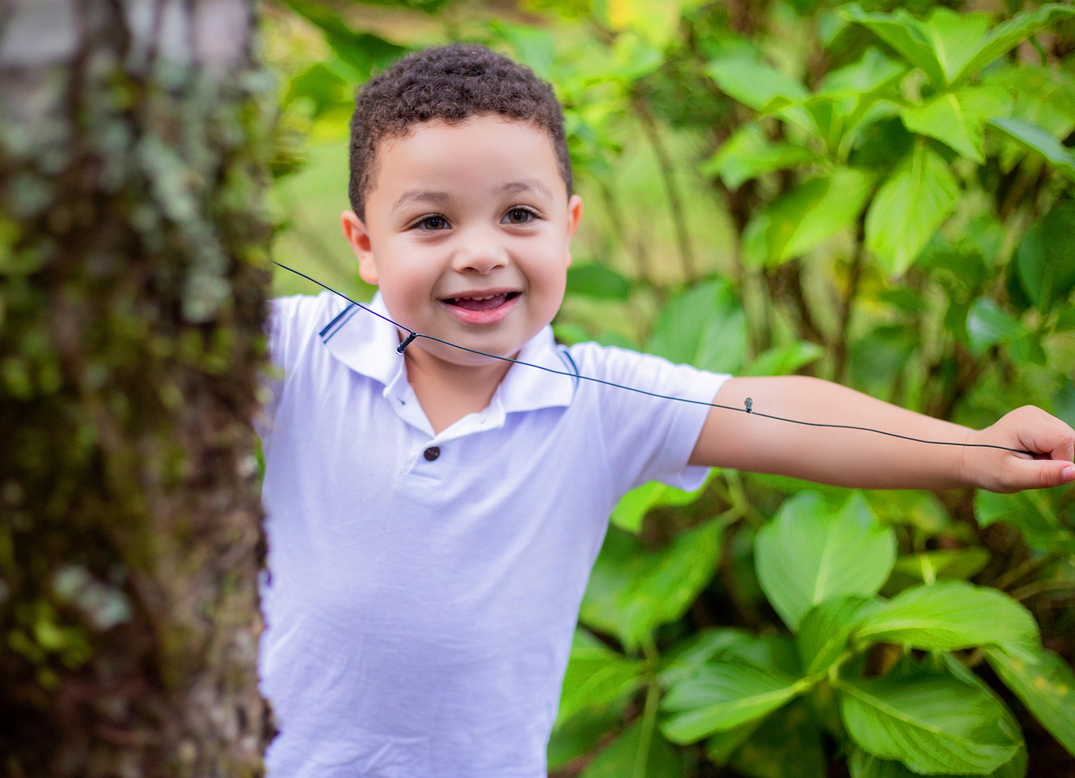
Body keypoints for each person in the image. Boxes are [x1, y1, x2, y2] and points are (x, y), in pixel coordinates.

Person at [256, 43, 1075, 777]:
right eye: (432, 221)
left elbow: (777, 412)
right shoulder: (293, 352)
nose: (480, 252)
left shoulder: (599, 402)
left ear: (568, 231)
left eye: (519, 215)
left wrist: (968, 452)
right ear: (364, 244)